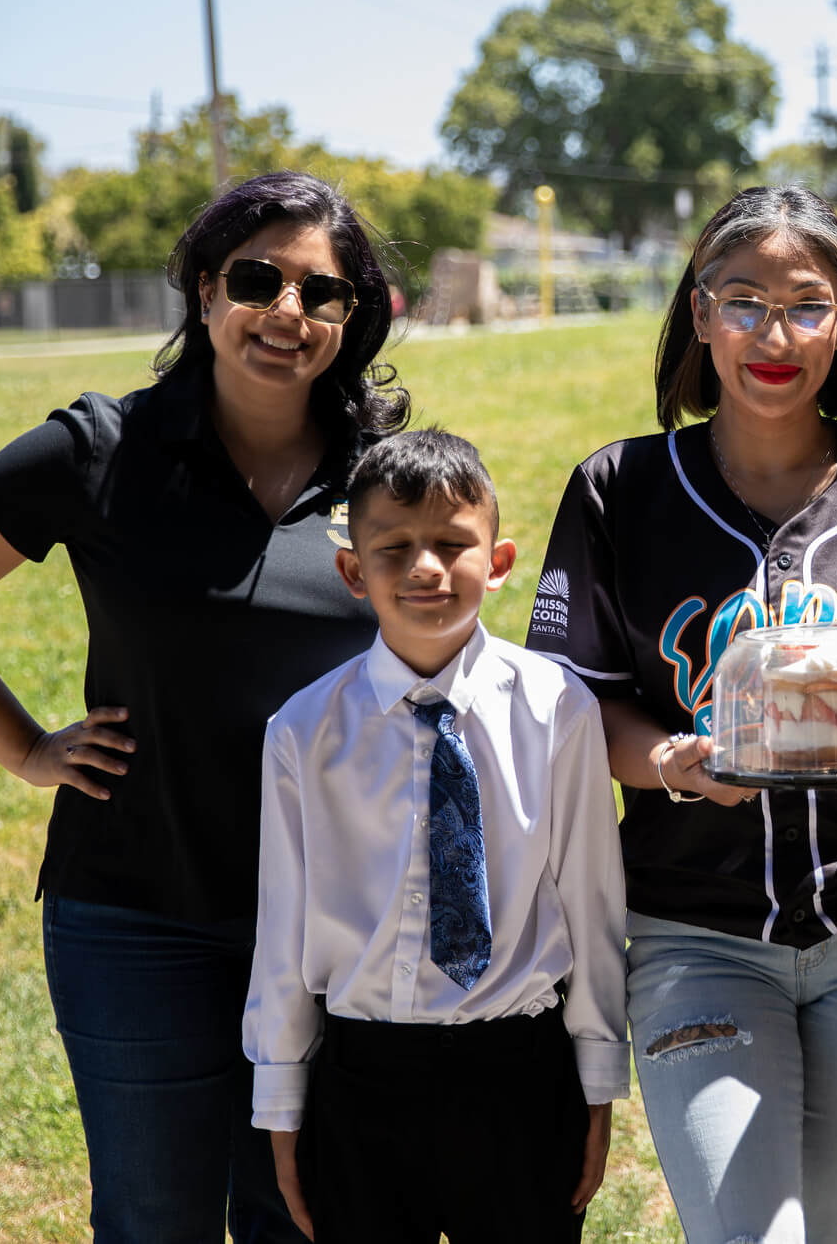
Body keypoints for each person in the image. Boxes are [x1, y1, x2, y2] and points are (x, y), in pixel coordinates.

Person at [0, 171, 407, 1242]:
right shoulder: (100, 451)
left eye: (320, 293)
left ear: (351, 317)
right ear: (203, 292)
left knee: (309, 1216)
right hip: (135, 916)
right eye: (257, 280)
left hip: (331, 924)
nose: (286, 313)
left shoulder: (381, 479)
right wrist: (22, 749)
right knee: (156, 1220)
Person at [526, 184, 837, 1244]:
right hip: (695, 932)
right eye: (743, 301)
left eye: (805, 304)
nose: (774, 333)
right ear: (698, 313)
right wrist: (670, 760)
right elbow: (576, 704)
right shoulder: (620, 488)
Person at [244, 430, 628, 1243]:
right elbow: (281, 930)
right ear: (353, 570)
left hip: (520, 1077)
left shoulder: (558, 710)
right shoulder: (304, 731)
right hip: (361, 1081)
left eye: (454, 544)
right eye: (395, 547)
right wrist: (282, 1106)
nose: (426, 568)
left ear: (499, 560)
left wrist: (597, 1081)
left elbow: (591, 903)